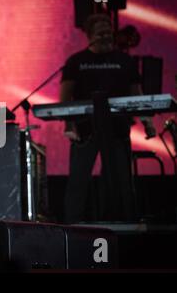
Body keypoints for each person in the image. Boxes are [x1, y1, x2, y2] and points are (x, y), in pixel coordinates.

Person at [60, 14, 156, 224]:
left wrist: (147, 121)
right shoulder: (76, 62)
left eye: (107, 30)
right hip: (85, 130)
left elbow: (136, 94)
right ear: (90, 35)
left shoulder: (125, 61)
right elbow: (65, 97)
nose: (105, 34)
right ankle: (71, 225)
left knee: (122, 180)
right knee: (78, 180)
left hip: (117, 128)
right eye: (100, 31)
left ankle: (124, 223)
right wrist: (68, 125)